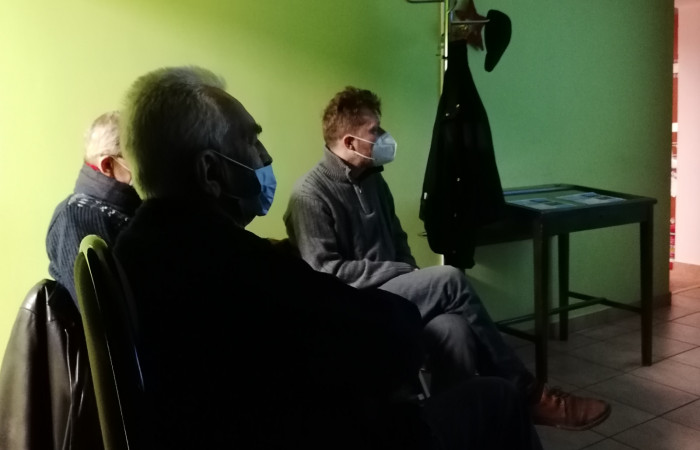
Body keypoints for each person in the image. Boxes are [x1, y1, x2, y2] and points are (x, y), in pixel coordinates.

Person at [113, 65, 543, 449]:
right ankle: (525, 391)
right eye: (251, 140)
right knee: (497, 394)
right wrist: (397, 296)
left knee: (453, 327)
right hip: (328, 429)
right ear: (210, 171)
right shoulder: (238, 260)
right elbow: (369, 333)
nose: (265, 157)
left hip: (290, 411)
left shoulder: (140, 248)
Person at [283, 86, 611, 431]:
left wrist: (407, 271)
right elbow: (325, 273)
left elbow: (399, 240)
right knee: (450, 278)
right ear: (350, 142)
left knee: (454, 330)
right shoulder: (309, 195)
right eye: (375, 130)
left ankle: (452, 429)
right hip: (355, 307)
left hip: (393, 296)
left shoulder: (374, 183)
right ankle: (529, 394)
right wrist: (400, 270)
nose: (384, 137)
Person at [46, 111, 140, 306]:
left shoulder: (129, 209)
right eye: (140, 159)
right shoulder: (75, 217)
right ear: (108, 165)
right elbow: (107, 313)